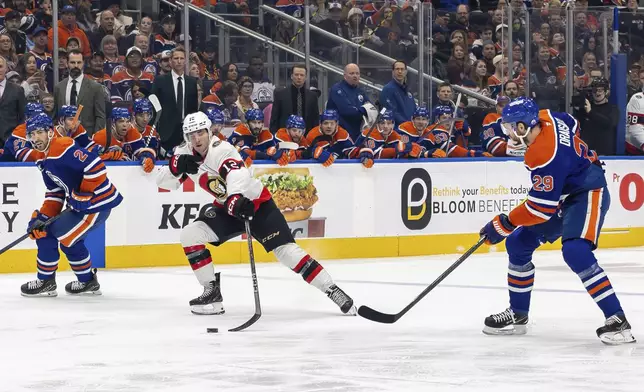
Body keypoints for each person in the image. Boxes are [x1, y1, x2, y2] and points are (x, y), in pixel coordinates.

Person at [156, 111, 356, 315]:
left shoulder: (221, 149)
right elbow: (163, 182)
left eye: (200, 133)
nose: (196, 139)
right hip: (228, 209)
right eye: (191, 135)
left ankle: (332, 290)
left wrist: (235, 197)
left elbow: (237, 174)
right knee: (190, 235)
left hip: (256, 206)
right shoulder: (184, 152)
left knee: (287, 253)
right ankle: (212, 293)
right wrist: (174, 166)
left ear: (209, 131)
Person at [479, 97, 635, 345]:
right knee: (518, 245)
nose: (507, 132)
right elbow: (571, 123)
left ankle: (617, 320)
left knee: (575, 250)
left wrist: (504, 224)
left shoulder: (543, 154)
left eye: (510, 127)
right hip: (566, 191)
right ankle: (518, 315)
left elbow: (540, 209)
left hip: (588, 190)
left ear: (522, 127)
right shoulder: (547, 116)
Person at [20, 113, 123, 297]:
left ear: (50, 132)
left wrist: (83, 193)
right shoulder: (42, 158)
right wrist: (43, 218)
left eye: (39, 133)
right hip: (85, 205)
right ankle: (86, 282)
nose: (35, 138)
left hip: (96, 204)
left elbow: (96, 166)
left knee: (52, 234)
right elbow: (55, 193)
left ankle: (46, 281)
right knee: (57, 235)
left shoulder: (61, 146)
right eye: (31, 134)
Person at [151, 48, 199, 156]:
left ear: (185, 61)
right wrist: (155, 131)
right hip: (165, 133)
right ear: (170, 61)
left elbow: (193, 109)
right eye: (176, 58)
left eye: (182, 58)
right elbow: (154, 107)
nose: (179, 61)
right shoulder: (160, 80)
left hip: (186, 132)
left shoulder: (191, 82)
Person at [53, 50, 106, 135]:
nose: (76, 66)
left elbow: (100, 117)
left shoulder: (96, 88)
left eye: (79, 62)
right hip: (63, 138)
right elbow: (55, 116)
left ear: (83, 63)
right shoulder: (59, 87)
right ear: (67, 63)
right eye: (73, 62)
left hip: (87, 137)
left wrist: (95, 138)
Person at [91, 107, 155, 173]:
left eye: (127, 121)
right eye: (121, 121)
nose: (125, 125)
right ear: (113, 123)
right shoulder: (100, 137)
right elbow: (89, 159)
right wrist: (107, 156)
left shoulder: (132, 132)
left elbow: (142, 150)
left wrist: (147, 157)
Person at [353, 110, 424, 168]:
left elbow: (404, 148)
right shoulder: (370, 134)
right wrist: (397, 150)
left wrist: (412, 148)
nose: (386, 126)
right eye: (382, 123)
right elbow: (377, 155)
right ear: (377, 124)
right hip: (356, 166)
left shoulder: (394, 135)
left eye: (389, 123)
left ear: (393, 125)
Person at [326, 64, 377, 140]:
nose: (355, 76)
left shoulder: (360, 91)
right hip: (340, 134)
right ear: (345, 76)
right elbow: (348, 112)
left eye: (357, 73)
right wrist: (363, 109)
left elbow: (371, 108)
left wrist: (359, 110)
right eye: (351, 73)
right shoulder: (337, 89)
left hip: (358, 132)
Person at [227, 108, 292, 167]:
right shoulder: (240, 132)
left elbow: (274, 149)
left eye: (259, 122)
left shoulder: (266, 134)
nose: (257, 126)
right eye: (254, 122)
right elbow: (246, 152)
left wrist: (279, 153)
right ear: (247, 123)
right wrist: (268, 155)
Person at [270, 64, 320, 133]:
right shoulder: (280, 94)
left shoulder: (312, 96)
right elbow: (274, 119)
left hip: (306, 137)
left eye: (302, 75)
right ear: (291, 76)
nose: (299, 77)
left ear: (305, 77)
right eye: (296, 75)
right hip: (285, 136)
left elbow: (315, 120)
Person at [577, 78, 619, 156]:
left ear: (606, 92)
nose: (597, 93)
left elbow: (609, 123)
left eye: (600, 90)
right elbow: (578, 126)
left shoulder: (612, 108)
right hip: (586, 154)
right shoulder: (585, 108)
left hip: (605, 155)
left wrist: (590, 112)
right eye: (594, 90)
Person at [379, 60, 415, 128]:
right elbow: (390, 111)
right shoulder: (388, 89)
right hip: (396, 130)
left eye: (402, 69)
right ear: (393, 72)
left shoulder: (408, 91)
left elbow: (413, 110)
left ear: (406, 71)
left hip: (410, 130)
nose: (400, 71)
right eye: (397, 69)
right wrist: (407, 125)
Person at [0, 56, 26, 146]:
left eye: (0, 66)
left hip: (10, 141)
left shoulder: (17, 90)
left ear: (6, 69)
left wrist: (16, 137)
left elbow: (22, 117)